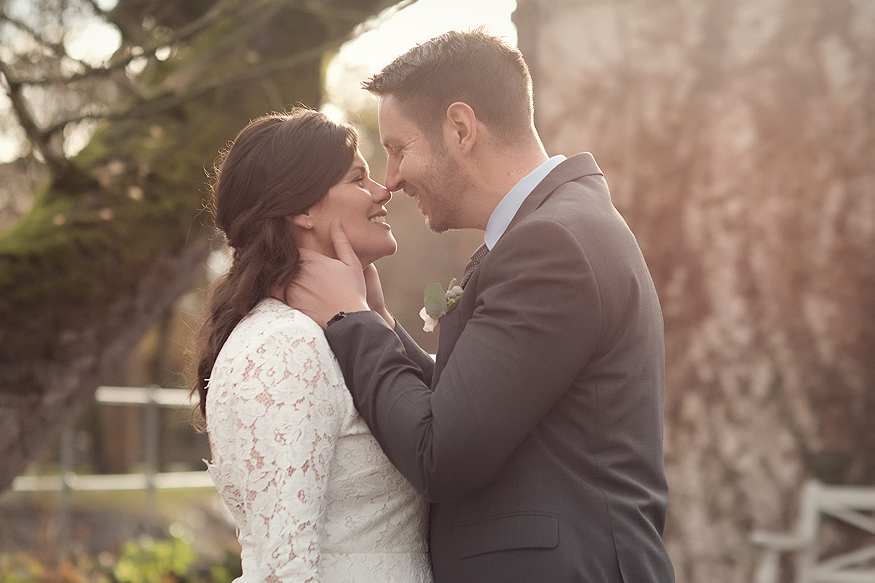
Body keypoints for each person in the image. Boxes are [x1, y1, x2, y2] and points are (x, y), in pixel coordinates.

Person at [286, 29, 675, 582]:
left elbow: (440, 454)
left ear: (461, 129)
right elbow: (471, 405)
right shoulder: (554, 228)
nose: (390, 180)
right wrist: (381, 324)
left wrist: (349, 322)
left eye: (398, 150)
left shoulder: (551, 245)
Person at [192, 109, 433, 582]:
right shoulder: (287, 348)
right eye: (358, 179)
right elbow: (286, 570)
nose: (383, 191)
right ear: (301, 210)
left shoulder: (329, 334)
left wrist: (375, 318)